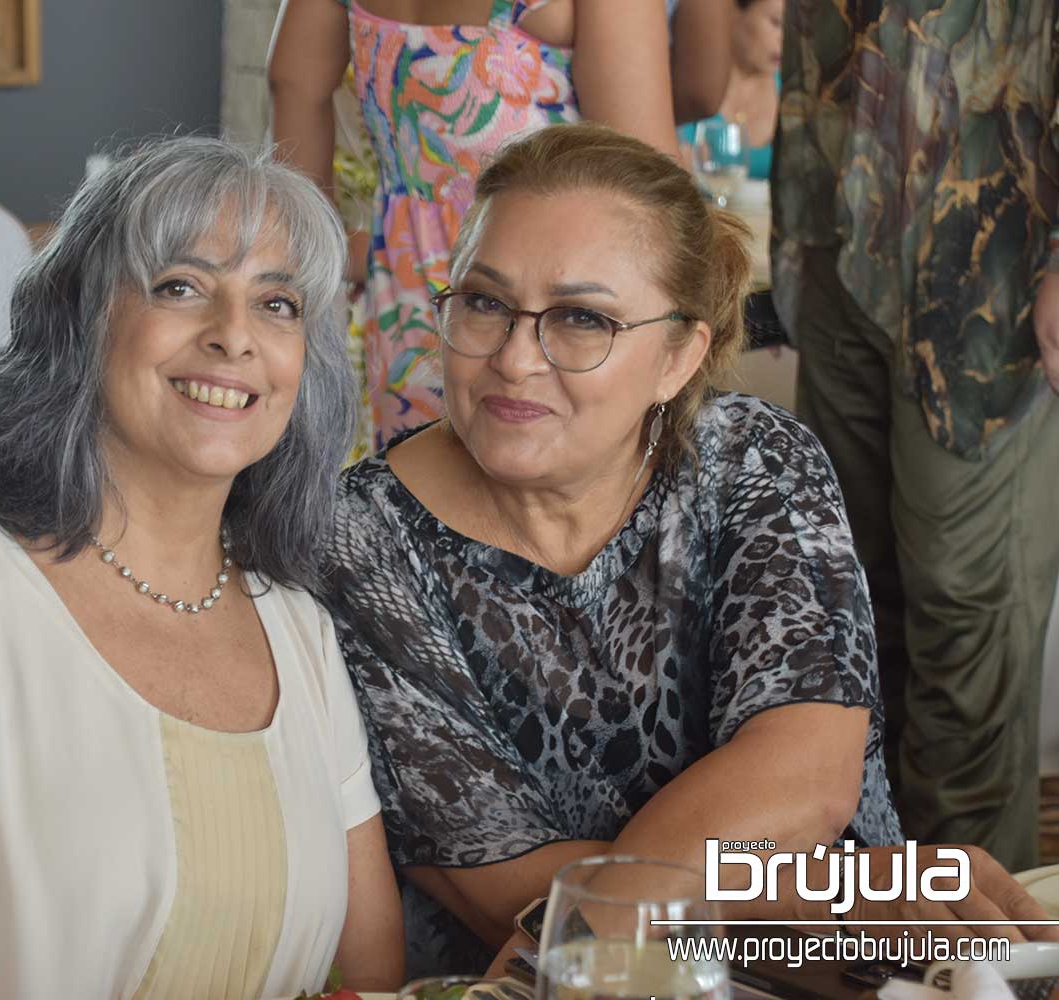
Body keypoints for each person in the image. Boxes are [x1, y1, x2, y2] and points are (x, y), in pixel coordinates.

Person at [315, 123, 1057, 978]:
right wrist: (819, 896)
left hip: (856, 974)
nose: (515, 359)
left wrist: (785, 892)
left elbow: (802, 779)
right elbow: (501, 887)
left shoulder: (753, 460)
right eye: (484, 303)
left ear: (679, 356)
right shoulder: (359, 538)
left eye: (582, 318)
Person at [0, 137, 405, 999]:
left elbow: (372, 972)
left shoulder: (300, 631)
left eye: (277, 304)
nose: (234, 336)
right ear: (81, 321)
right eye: (180, 286)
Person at [773, 0, 1059, 871]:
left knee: (965, 616)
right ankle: (880, 913)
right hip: (833, 218)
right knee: (847, 607)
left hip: (997, 240)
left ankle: (973, 937)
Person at [269, 0, 679, 451]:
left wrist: (338, 250)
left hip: (403, 301)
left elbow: (292, 83)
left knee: (420, 479)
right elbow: (652, 191)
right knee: (548, 485)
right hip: (549, 317)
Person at [677, 0, 782, 180]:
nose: (785, 39)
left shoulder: (795, 98)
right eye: (776, 23)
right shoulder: (689, 84)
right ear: (734, 12)